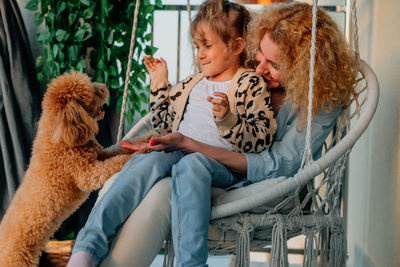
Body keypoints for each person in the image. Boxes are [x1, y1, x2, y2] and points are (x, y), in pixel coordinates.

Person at [86, 2, 358, 266]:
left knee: (163, 192)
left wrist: (190, 145)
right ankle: (87, 253)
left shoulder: (321, 101)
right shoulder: (251, 78)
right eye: (260, 55)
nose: (259, 68)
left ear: (303, 68)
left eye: (273, 64)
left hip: (260, 189)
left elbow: (278, 166)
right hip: (197, 169)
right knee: (129, 177)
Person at [67, 1, 276, 266]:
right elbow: (164, 124)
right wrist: (159, 84)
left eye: (208, 46)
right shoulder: (192, 83)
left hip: (219, 165)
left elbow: (262, 136)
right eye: (197, 46)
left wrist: (228, 120)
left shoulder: (250, 83)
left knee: (193, 163)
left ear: (235, 46)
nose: (200, 54)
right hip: (176, 151)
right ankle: (87, 248)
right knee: (148, 161)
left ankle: (191, 263)